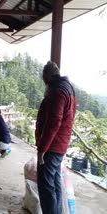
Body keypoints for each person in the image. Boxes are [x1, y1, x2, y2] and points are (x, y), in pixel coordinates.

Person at [35, 61, 76, 214]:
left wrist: (42, 149)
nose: (44, 81)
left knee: (46, 188)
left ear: (48, 76)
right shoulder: (68, 88)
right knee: (55, 183)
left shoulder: (57, 91)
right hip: (60, 144)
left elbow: (53, 122)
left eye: (43, 78)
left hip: (52, 146)